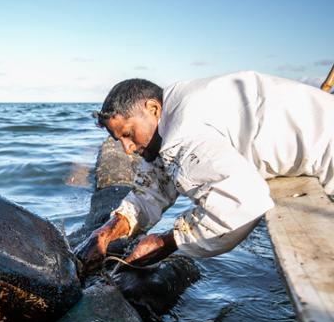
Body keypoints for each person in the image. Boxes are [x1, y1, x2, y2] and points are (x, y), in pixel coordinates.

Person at [76, 71, 334, 273]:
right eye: (118, 139)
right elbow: (152, 191)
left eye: (128, 134)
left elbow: (243, 203)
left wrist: (167, 242)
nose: (128, 149)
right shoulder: (174, 108)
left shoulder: (184, 132)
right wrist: (105, 233)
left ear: (153, 109)